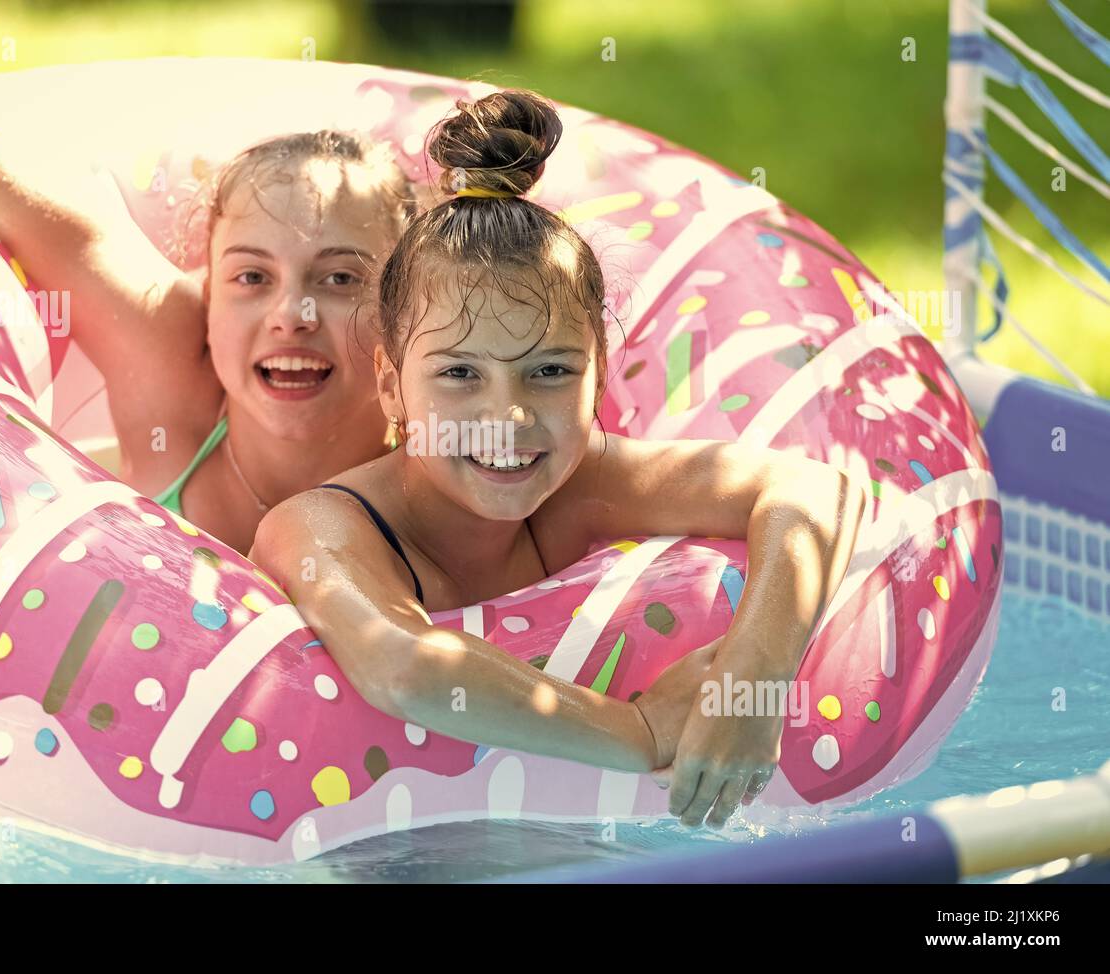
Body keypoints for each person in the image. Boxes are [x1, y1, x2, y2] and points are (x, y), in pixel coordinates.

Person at [250, 89, 867, 830]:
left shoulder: (584, 483)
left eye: (549, 372)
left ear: (600, 376)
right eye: (458, 375)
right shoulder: (318, 526)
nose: (507, 419)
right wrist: (636, 731)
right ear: (390, 386)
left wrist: (752, 684)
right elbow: (405, 665)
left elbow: (817, 491)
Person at [0, 78, 419, 554]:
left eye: (341, 278)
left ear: (406, 305)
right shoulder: (170, 364)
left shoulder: (443, 457)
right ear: (208, 294)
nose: (292, 314)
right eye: (252, 277)